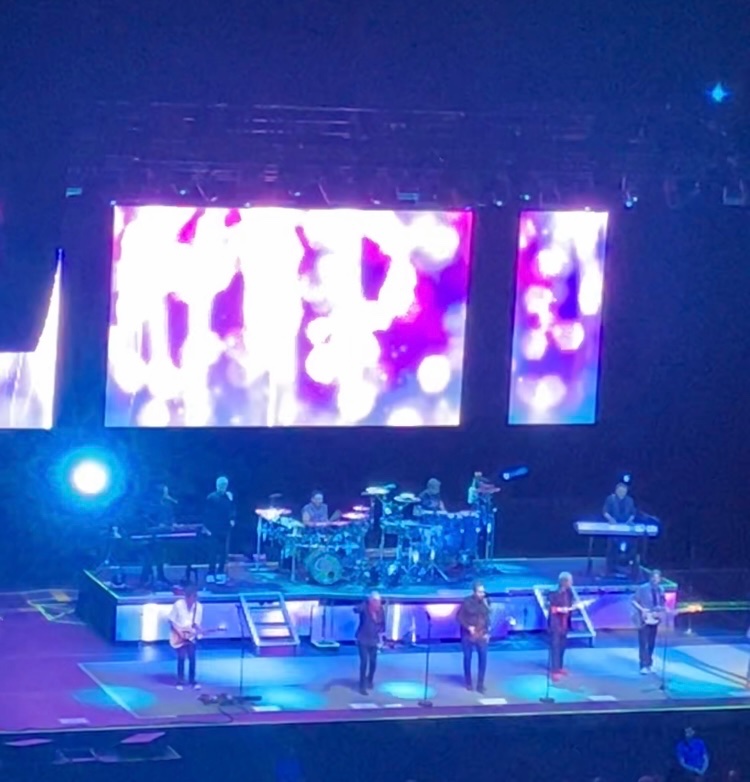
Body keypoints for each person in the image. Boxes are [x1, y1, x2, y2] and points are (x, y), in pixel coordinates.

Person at [457, 581, 491, 693]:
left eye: (483, 592)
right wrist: (468, 627)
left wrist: (488, 632)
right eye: (480, 592)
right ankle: (468, 682)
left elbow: (487, 618)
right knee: (467, 657)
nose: (482, 594)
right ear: (474, 592)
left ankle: (480, 685)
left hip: (482, 634)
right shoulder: (467, 602)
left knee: (483, 658)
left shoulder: (486, 601)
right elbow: (459, 617)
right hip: (468, 635)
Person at [168, 583, 203, 690]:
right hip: (178, 635)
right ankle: (180, 681)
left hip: (190, 636)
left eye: (194, 598)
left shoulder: (199, 607)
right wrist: (179, 632)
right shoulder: (178, 605)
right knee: (181, 657)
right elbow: (171, 620)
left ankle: (192, 681)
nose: (192, 601)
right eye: (190, 598)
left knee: (192, 658)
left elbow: (196, 623)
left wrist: (200, 631)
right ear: (186, 597)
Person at [632, 569, 666, 674]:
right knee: (643, 642)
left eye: (657, 578)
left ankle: (649, 663)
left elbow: (662, 603)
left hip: (654, 619)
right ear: (650, 578)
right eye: (653, 578)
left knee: (651, 642)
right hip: (643, 619)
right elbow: (633, 601)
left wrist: (660, 610)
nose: (655, 580)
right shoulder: (643, 588)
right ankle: (643, 665)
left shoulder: (660, 589)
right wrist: (642, 610)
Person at [205, 476, 235, 584]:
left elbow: (232, 509)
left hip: (224, 528)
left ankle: (221, 572)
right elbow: (207, 513)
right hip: (213, 528)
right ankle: (210, 572)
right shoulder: (211, 497)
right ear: (217, 485)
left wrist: (232, 519)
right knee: (213, 551)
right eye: (221, 485)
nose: (223, 487)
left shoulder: (228, 497)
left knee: (223, 552)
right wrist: (206, 528)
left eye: (225, 485)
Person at [354, 591, 386, 695]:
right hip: (363, 639)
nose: (378, 603)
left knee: (373, 662)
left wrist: (381, 636)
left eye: (379, 601)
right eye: (376, 601)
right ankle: (362, 686)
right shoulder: (365, 608)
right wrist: (364, 603)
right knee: (364, 662)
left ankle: (370, 680)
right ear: (371, 601)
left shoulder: (381, 610)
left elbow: (382, 623)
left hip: (374, 640)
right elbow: (356, 609)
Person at [603, 482, 637, 576]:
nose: (622, 493)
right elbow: (605, 512)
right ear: (616, 490)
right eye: (620, 491)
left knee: (632, 547)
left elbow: (633, 513)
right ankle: (610, 568)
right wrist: (610, 519)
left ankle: (629, 567)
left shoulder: (630, 500)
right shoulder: (611, 499)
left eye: (624, 491)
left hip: (626, 527)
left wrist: (630, 520)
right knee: (611, 547)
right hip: (613, 526)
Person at [548, 571, 576, 680]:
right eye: (570, 581)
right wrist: (561, 609)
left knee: (562, 646)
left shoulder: (569, 593)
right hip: (556, 624)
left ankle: (560, 667)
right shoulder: (554, 593)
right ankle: (554, 669)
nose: (572, 583)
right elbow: (551, 608)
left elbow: (570, 605)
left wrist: (574, 607)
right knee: (555, 646)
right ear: (564, 582)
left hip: (565, 623)